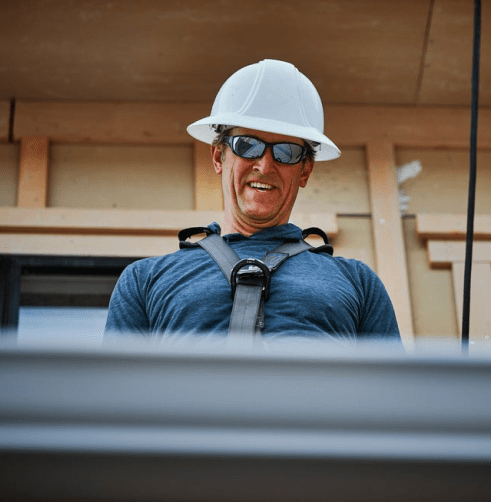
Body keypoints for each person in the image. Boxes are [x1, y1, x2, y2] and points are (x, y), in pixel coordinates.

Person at [105, 59, 400, 343]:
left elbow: (391, 392)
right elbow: (116, 391)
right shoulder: (144, 281)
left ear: (305, 170)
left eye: (286, 152)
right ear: (219, 156)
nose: (265, 166)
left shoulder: (359, 284)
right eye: (247, 145)